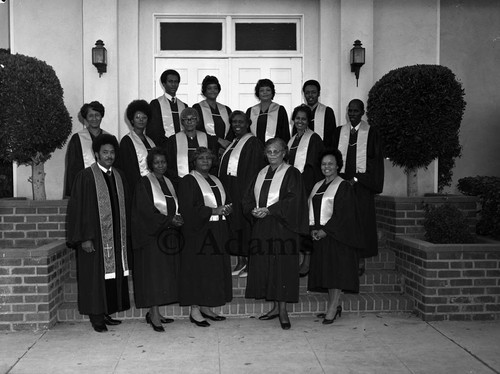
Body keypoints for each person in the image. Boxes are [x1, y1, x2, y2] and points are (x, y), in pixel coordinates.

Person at [242, 138, 308, 330]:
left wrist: (270, 210)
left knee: (282, 267)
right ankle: (274, 308)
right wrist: (252, 210)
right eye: (269, 152)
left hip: (283, 227)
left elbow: (294, 200)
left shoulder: (292, 173)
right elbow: (247, 197)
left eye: (276, 151)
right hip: (262, 226)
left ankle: (283, 310)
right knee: (268, 267)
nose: (272, 155)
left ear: (284, 152)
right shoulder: (260, 173)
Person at [66, 134, 130, 333]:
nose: (109, 156)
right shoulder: (86, 176)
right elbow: (78, 209)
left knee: (109, 276)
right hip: (93, 238)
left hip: (113, 239)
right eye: (105, 152)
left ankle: (105, 312)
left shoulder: (118, 176)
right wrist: (84, 237)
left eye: (112, 152)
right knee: (94, 277)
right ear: (96, 154)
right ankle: (96, 317)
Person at [178, 147, 233, 327]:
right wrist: (213, 210)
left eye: (208, 158)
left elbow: (220, 203)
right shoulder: (189, 180)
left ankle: (207, 307)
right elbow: (188, 208)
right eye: (201, 158)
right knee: (199, 270)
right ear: (194, 161)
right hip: (198, 232)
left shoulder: (216, 180)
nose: (205, 161)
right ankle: (195, 310)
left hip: (217, 229)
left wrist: (225, 209)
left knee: (213, 270)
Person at [131, 147, 183, 332]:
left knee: (162, 276)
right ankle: (153, 315)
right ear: (150, 165)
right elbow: (144, 211)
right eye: (157, 162)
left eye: (163, 162)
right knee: (153, 276)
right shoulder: (144, 183)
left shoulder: (168, 182)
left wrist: (177, 218)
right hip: (151, 237)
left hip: (166, 235)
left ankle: (157, 312)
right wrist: (169, 220)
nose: (161, 165)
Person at [308, 149, 362, 324]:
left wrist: (326, 230)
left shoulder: (343, 185)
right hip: (322, 235)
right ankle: (334, 305)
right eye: (324, 164)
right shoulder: (318, 185)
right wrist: (313, 229)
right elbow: (311, 209)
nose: (327, 167)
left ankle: (332, 308)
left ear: (338, 165)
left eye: (330, 163)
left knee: (335, 273)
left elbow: (344, 214)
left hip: (337, 236)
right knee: (329, 274)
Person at [332, 99, 384, 276]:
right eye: (350, 111)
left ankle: (360, 257)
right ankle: (344, 257)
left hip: (362, 185)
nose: (352, 114)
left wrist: (357, 178)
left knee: (362, 222)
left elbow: (374, 161)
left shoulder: (371, 133)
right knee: (343, 220)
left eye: (356, 111)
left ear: (363, 113)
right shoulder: (339, 132)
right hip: (342, 184)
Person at [218, 111, 266, 277]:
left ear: (248, 123)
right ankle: (240, 261)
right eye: (234, 122)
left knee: (246, 226)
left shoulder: (253, 143)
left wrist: (247, 194)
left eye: (241, 121)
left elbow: (254, 171)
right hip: (232, 191)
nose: (237, 124)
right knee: (236, 226)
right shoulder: (234, 142)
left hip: (243, 192)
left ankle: (250, 262)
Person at [287, 105, 324, 276]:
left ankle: (307, 261)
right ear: (293, 120)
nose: (300, 121)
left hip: (307, 187)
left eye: (303, 119)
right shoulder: (292, 139)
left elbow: (315, 167)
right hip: (294, 188)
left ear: (308, 121)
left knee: (307, 224)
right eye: (297, 118)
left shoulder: (314, 139)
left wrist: (308, 188)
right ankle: (297, 258)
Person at [65, 101, 117, 197]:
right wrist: (74, 191)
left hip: (107, 184)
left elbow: (116, 164)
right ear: (85, 118)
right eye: (91, 115)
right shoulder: (77, 139)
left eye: (97, 115)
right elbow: (73, 168)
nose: (94, 118)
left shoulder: (110, 138)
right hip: (85, 186)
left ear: (101, 116)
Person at [165, 107, 219, 187]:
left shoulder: (207, 139)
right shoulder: (173, 140)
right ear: (182, 122)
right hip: (180, 182)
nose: (189, 122)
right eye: (186, 119)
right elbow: (169, 164)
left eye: (192, 119)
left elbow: (213, 162)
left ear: (197, 121)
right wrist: (177, 181)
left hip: (204, 182)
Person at [119, 100, 156, 194]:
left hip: (153, 185)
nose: (141, 120)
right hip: (136, 187)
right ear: (132, 120)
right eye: (137, 117)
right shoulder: (127, 141)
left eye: (144, 117)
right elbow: (128, 169)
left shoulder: (150, 141)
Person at [147, 69, 188, 147]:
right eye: (170, 81)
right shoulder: (156, 104)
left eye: (176, 82)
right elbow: (153, 130)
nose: (173, 84)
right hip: (163, 148)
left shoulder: (184, 106)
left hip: (182, 146)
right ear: (164, 84)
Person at [193, 75, 233, 150]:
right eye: (209, 88)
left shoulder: (226, 109)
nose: (213, 91)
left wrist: (226, 144)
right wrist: (218, 140)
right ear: (204, 91)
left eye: (215, 88)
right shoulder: (197, 108)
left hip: (224, 148)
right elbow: (198, 130)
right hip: (205, 148)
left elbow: (231, 131)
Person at [246, 79, 290, 144]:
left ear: (272, 92)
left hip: (275, 149)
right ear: (258, 93)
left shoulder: (280, 110)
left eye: (268, 90)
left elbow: (285, 133)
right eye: (261, 90)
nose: (265, 92)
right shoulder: (250, 111)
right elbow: (247, 133)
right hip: (255, 148)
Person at [300, 80, 336, 148]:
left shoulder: (327, 112)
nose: (310, 95)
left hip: (322, 150)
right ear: (304, 94)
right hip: (303, 150)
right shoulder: (300, 112)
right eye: (307, 93)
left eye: (313, 92)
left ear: (318, 93)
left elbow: (332, 136)